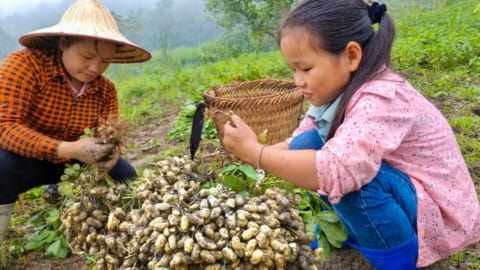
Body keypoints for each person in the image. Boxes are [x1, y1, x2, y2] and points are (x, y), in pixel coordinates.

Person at [222, 0, 480, 269]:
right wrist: (252, 156)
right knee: (307, 143)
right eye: (293, 69)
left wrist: (256, 152)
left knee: (351, 184)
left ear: (352, 56)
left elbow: (339, 170)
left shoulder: (380, 97)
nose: (298, 81)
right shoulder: (339, 89)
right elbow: (307, 132)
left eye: (306, 69)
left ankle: (399, 261)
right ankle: (346, 233)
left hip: (440, 214)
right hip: (405, 192)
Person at [0, 0, 151, 241]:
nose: (95, 68)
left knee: (127, 175)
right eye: (87, 56)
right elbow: (5, 128)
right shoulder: (24, 65)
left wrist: (110, 154)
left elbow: (108, 136)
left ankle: (135, 226)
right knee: (1, 166)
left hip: (76, 161)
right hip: (26, 159)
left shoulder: (105, 90)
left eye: (104, 61)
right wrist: (66, 148)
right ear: (63, 43)